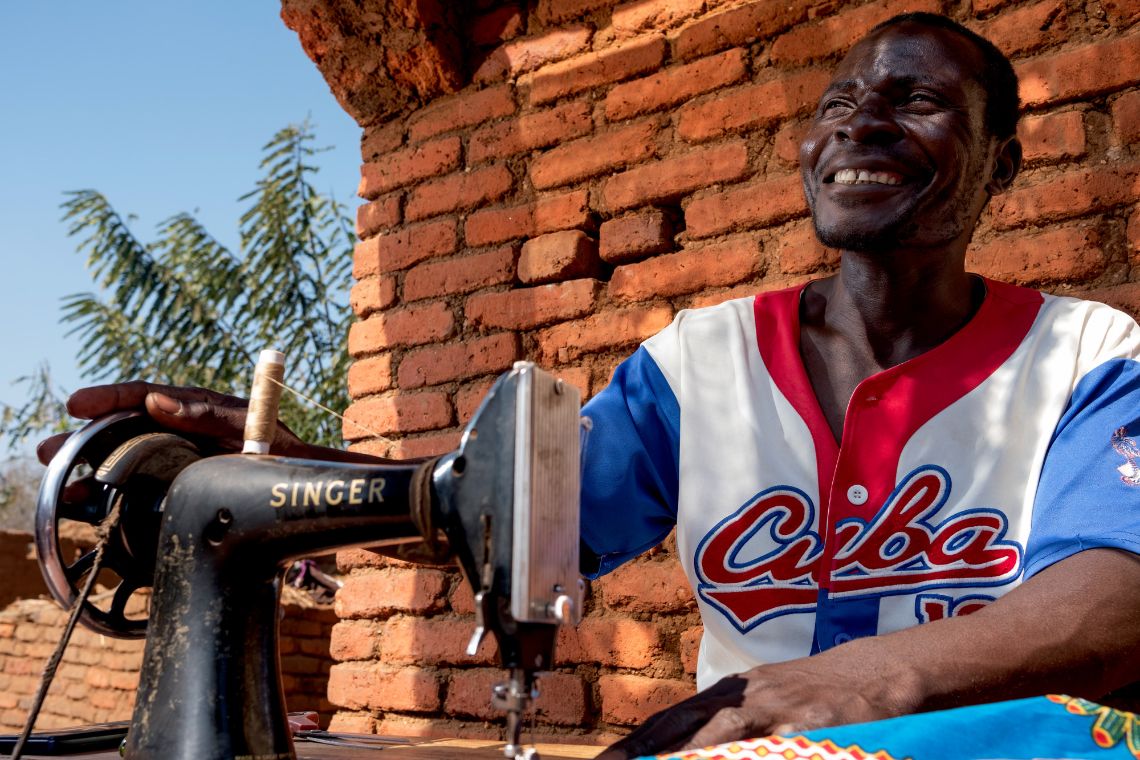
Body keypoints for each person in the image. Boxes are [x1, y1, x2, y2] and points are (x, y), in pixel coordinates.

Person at [38, 12, 1140, 759]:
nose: (858, 121)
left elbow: (1112, 602)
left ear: (1004, 160)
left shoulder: (1091, 355)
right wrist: (277, 467)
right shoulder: (699, 365)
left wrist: (830, 688)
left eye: (918, 100)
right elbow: (514, 520)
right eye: (841, 100)